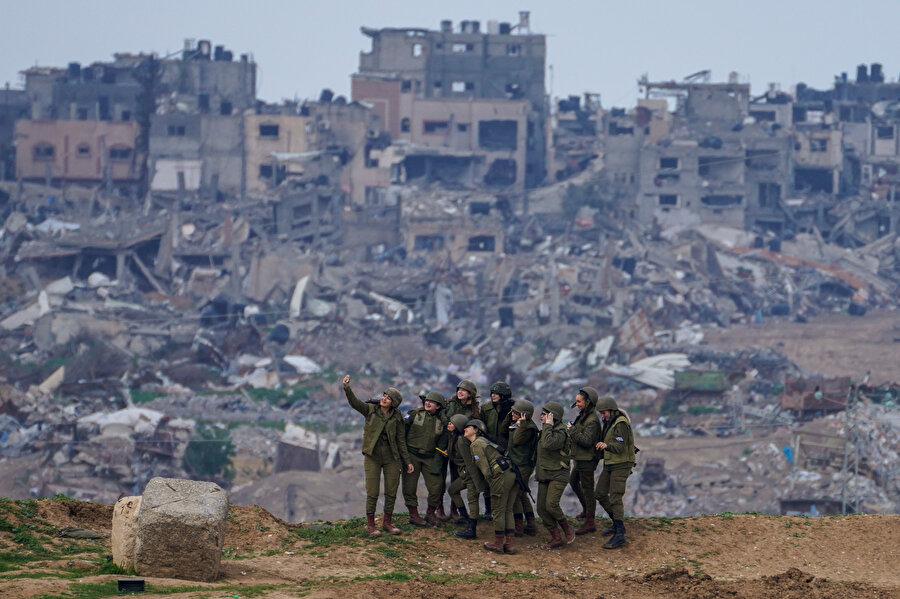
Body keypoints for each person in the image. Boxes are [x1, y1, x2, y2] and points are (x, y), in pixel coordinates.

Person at [342, 374, 414, 536]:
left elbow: (401, 441)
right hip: (372, 456)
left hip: (391, 458)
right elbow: (355, 403)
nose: (384, 399)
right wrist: (347, 389)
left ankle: (387, 523)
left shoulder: (397, 418)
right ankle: (371, 526)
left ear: (394, 403)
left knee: (391, 491)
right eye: (384, 396)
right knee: (372, 491)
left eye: (389, 398)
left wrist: (407, 461)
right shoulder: (370, 410)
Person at [464, 419, 518, 554]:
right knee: (508, 510)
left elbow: (485, 469)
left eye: (468, 427)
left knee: (498, 510)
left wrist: (491, 483)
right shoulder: (486, 442)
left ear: (476, 430)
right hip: (512, 473)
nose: (465, 428)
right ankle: (509, 544)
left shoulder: (476, 444)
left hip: (500, 475)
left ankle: (498, 543)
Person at [594, 395, 635, 549]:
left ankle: (620, 534)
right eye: (601, 413)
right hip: (610, 463)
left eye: (604, 413)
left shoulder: (621, 424)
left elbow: (620, 447)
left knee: (615, 497)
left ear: (611, 410)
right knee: (599, 493)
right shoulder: (609, 423)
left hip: (621, 464)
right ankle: (617, 524)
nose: (602, 416)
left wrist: (606, 445)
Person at [402, 391, 448, 526]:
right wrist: (404, 457)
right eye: (427, 400)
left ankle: (430, 513)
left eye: (432, 402)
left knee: (437, 486)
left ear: (438, 406)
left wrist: (439, 456)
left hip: (430, 457)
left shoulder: (442, 422)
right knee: (409, 487)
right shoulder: (414, 414)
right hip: (412, 455)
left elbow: (443, 441)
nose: (428, 403)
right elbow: (402, 433)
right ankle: (414, 515)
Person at [535, 401, 574, 549]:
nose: (541, 417)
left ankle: (567, 529)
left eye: (545, 415)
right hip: (545, 473)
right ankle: (556, 537)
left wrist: (548, 425)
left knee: (551, 504)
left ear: (553, 417)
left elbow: (548, 444)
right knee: (541, 508)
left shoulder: (561, 432)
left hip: (558, 473)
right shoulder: (547, 430)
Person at [567, 386, 601, 535]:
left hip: (587, 460)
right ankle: (586, 510)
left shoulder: (592, 420)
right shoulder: (584, 415)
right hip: (580, 458)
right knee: (573, 481)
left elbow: (587, 441)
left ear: (588, 402)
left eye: (579, 401)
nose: (577, 404)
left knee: (588, 490)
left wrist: (572, 430)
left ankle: (590, 522)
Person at [445, 379, 480, 521]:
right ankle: (456, 513)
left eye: (464, 390)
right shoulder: (451, 404)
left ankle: (466, 518)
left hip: (464, 446)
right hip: (451, 444)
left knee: (462, 482)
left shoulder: (475, 410)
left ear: (470, 394)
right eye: (458, 389)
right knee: (452, 481)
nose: (460, 392)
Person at [446, 413, 485, 539]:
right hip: (465, 474)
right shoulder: (455, 438)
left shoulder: (461, 441)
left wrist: (476, 481)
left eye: (452, 423)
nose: (449, 424)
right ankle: (464, 517)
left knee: (472, 501)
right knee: (453, 490)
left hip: (470, 475)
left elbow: (469, 462)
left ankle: (472, 529)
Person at [506, 398, 539, 537]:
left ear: (524, 415)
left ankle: (519, 525)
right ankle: (530, 523)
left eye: (515, 412)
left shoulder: (529, 428)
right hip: (516, 463)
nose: (512, 414)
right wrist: (513, 418)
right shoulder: (517, 424)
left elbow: (517, 440)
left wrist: (522, 424)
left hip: (523, 465)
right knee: (522, 493)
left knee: (517, 493)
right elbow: (504, 429)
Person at [482, 382, 513, 446]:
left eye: (496, 393)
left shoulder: (513, 409)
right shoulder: (486, 408)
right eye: (492, 393)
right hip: (488, 442)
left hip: (507, 444)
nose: (492, 395)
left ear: (503, 395)